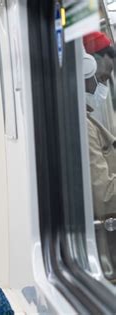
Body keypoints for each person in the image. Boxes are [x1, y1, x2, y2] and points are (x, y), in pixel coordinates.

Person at [83, 31, 116, 281]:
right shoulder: (80, 124)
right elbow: (103, 197)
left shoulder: (86, 118)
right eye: (102, 78)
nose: (103, 87)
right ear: (85, 67)